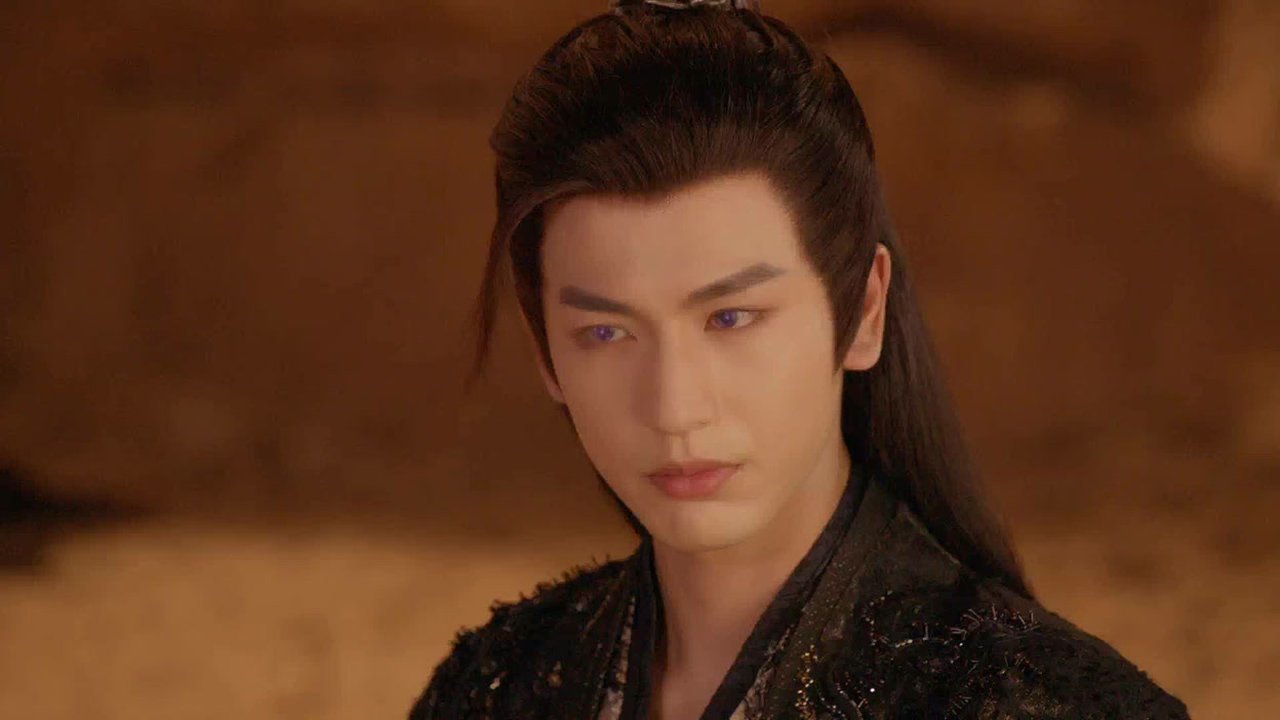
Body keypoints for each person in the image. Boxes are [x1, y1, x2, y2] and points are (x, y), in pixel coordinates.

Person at [409, 1, 1190, 717]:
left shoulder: (1048, 705)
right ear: (545, 351)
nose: (675, 408)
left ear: (863, 312)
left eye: (732, 318)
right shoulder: (494, 685)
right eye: (607, 333)